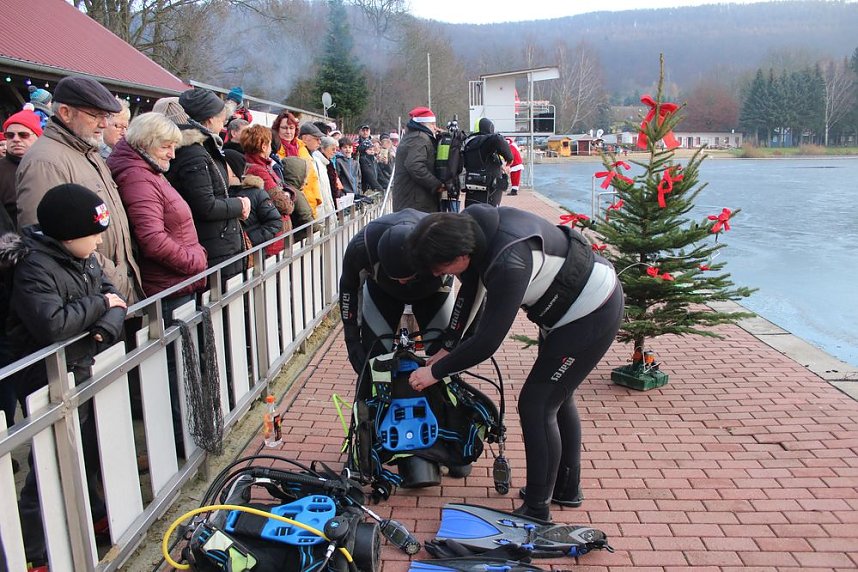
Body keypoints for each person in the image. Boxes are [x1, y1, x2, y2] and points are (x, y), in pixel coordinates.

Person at [405, 204, 624, 521]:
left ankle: (537, 508)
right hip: (569, 310)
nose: (439, 275)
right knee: (556, 398)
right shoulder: (475, 232)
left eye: (441, 268)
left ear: (460, 256)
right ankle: (565, 488)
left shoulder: (508, 260)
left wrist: (435, 372)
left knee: (537, 403)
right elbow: (469, 291)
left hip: (590, 312)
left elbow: (487, 341)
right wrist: (447, 347)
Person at [1, 183, 127, 569]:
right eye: (94, 234)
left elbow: (116, 295)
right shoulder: (35, 265)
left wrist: (103, 325)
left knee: (85, 450)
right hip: (45, 379)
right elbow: (53, 325)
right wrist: (101, 305)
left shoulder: (83, 256)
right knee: (48, 464)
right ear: (68, 235)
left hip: (81, 363)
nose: (101, 241)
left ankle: (88, 516)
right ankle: (34, 552)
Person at [15, 75, 143, 303]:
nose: (104, 124)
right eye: (96, 116)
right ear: (65, 113)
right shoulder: (45, 162)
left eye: (106, 116)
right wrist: (109, 281)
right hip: (92, 297)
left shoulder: (89, 153)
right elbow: (47, 244)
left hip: (114, 289)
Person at [338, 208, 454, 377]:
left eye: (407, 278)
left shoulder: (440, 244)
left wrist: (458, 341)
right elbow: (349, 288)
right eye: (396, 278)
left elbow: (472, 287)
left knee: (443, 360)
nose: (402, 283)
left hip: (432, 291)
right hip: (383, 292)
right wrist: (352, 339)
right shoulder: (361, 247)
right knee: (375, 359)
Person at [107, 112, 208, 302]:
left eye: (173, 147)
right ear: (145, 144)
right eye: (166, 147)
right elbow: (152, 239)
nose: (173, 154)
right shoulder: (138, 177)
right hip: (169, 284)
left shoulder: (148, 170)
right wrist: (195, 261)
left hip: (174, 279)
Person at [167, 87, 250, 283]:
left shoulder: (202, 148)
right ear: (209, 119)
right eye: (221, 119)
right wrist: (240, 204)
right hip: (214, 244)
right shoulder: (194, 154)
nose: (224, 124)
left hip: (218, 241)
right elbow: (205, 206)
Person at [224, 149, 285, 257]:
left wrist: (248, 240)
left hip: (255, 257)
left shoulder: (256, 193)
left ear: (234, 171)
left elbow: (275, 222)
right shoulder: (222, 195)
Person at [392, 106, 443, 213]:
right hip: (415, 202)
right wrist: (436, 185)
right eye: (433, 124)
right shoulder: (419, 138)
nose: (435, 127)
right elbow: (414, 165)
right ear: (423, 124)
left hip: (411, 199)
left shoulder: (412, 136)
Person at [0, 110, 43, 230]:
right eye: (10, 135)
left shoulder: (49, 166)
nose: (16, 139)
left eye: (23, 135)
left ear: (37, 137)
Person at [462, 118, 513, 207]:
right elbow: (498, 139)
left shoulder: (469, 143)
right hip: (488, 195)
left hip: (473, 191)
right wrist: (509, 159)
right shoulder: (484, 141)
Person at [281, 156, 314, 240]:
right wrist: (320, 230)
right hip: (301, 239)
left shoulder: (286, 190)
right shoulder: (295, 193)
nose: (305, 182)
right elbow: (305, 216)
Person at [296, 122, 324, 219]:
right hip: (306, 210)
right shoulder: (301, 156)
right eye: (317, 139)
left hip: (311, 208)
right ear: (304, 138)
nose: (319, 142)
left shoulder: (310, 156)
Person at [314, 136, 339, 217]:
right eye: (332, 149)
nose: (335, 152)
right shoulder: (317, 162)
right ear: (323, 149)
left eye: (335, 149)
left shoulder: (328, 163)